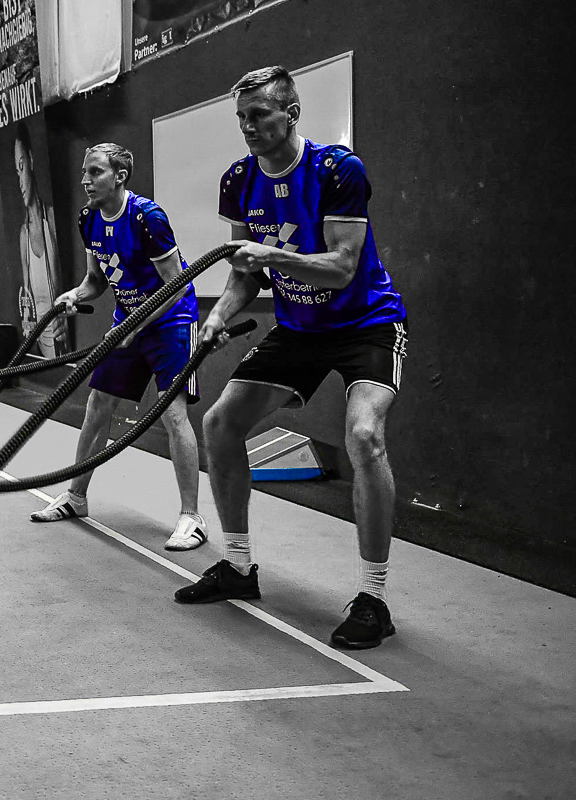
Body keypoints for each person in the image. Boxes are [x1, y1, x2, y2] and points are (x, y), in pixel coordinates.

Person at [176, 66, 409, 650]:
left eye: (259, 115)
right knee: (220, 424)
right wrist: (216, 317)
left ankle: (373, 597)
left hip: (366, 324)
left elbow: (340, 267)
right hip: (298, 327)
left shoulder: (337, 170)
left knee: (364, 437)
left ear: (292, 114)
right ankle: (237, 566)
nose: (248, 127)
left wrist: (269, 255)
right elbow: (243, 275)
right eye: (241, 117)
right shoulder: (238, 180)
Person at [30, 143, 207, 553]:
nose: (85, 181)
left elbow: (175, 285)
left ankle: (191, 518)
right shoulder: (88, 218)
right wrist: (75, 293)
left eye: (94, 172)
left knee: (172, 412)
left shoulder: (148, 217)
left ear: (119, 176)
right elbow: (96, 280)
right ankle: (76, 497)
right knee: (98, 405)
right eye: (84, 172)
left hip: (171, 323)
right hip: (128, 322)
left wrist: (136, 324)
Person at [13, 125, 67, 357]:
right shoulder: (23, 235)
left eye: (22, 167)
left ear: (32, 162)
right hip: (38, 350)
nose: (21, 182)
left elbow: (63, 288)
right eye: (16, 172)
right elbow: (27, 302)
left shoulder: (52, 220)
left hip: (61, 345)